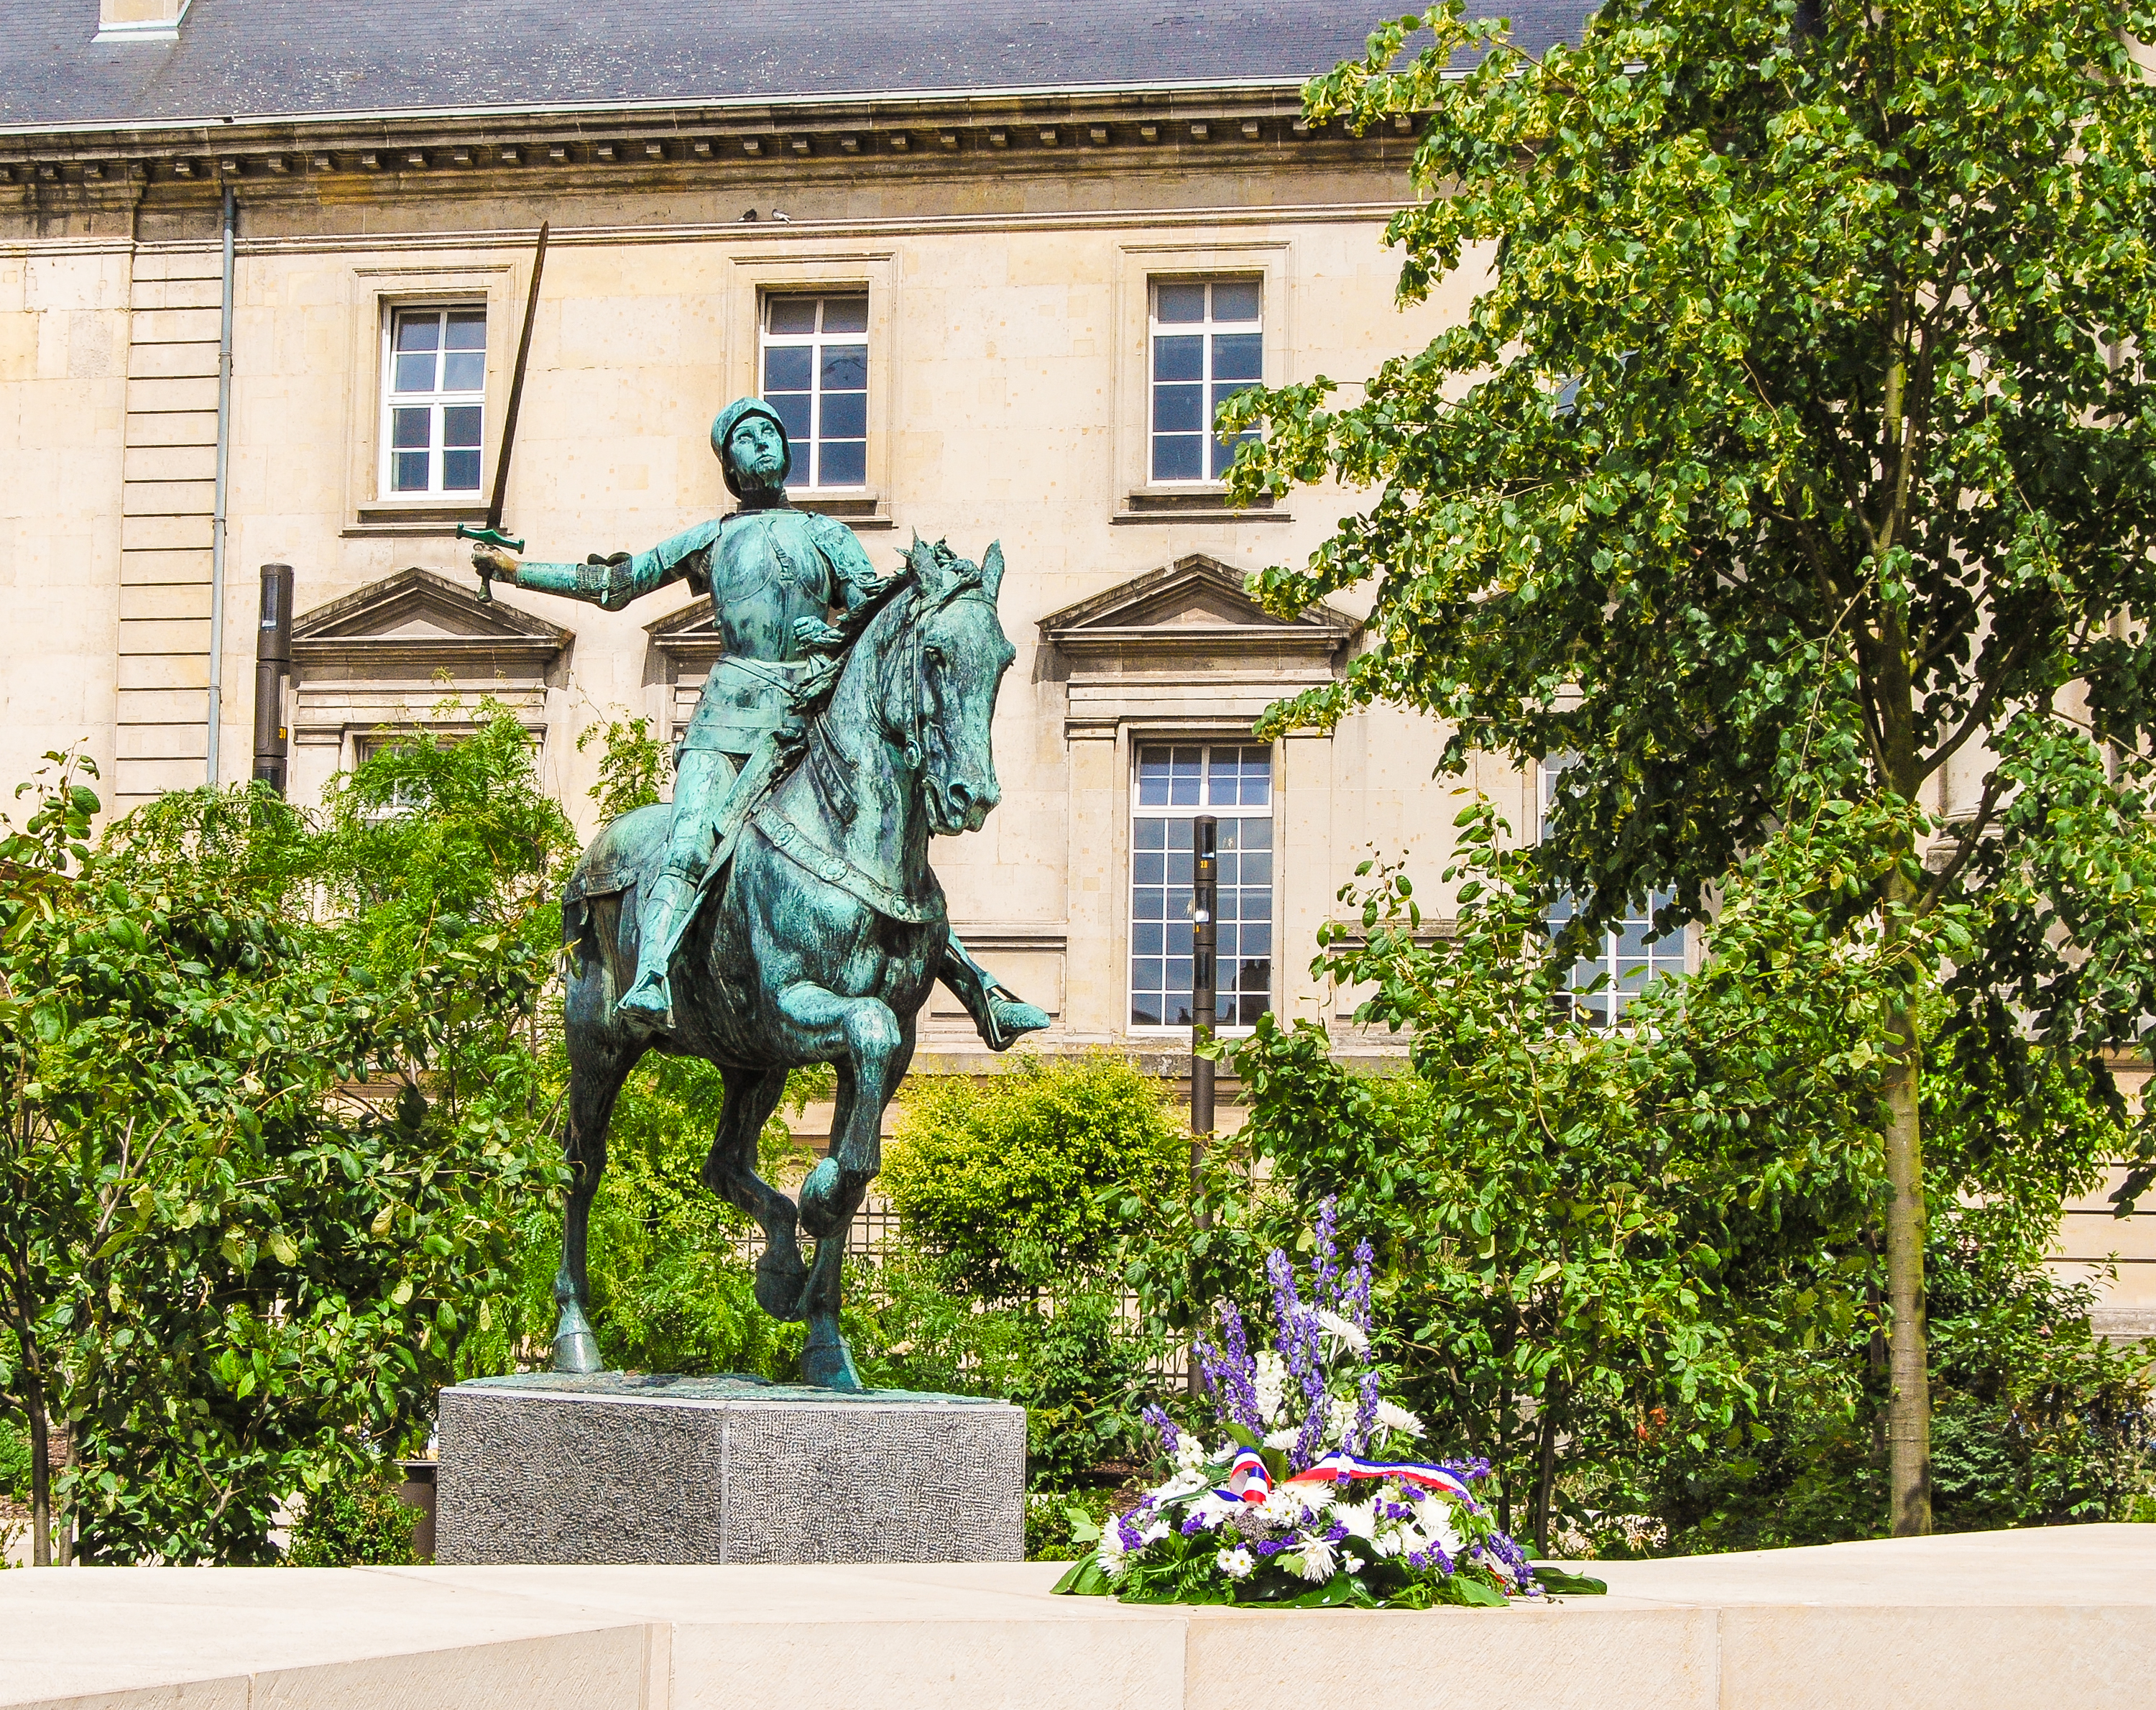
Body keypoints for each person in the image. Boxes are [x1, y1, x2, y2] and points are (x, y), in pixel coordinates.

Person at [471, 397, 1047, 1048]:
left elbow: (869, 614)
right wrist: (515, 570)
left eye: (770, 433)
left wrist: (829, 634)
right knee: (690, 840)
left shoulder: (828, 535)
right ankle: (652, 973)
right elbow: (615, 582)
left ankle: (982, 992)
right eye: (744, 438)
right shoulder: (712, 538)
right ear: (728, 462)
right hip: (726, 724)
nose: (761, 445)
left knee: (885, 857)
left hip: (807, 723)